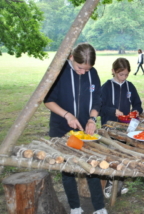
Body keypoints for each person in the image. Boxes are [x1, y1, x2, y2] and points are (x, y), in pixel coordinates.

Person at [44, 43, 107, 214]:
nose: (83, 72)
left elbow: (97, 100)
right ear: (71, 57)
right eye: (80, 68)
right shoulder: (59, 71)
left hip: (85, 131)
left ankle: (99, 207)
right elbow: (48, 100)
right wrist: (67, 115)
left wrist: (92, 119)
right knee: (68, 169)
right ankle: (75, 207)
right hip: (61, 129)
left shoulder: (92, 73)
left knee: (91, 165)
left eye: (87, 69)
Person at [100, 57, 143, 198]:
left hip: (125, 128)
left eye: (126, 74)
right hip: (109, 127)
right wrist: (113, 111)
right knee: (112, 156)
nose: (123, 77)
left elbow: (138, 104)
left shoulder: (129, 86)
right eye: (120, 74)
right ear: (113, 71)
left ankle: (119, 184)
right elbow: (99, 106)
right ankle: (108, 186)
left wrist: (135, 111)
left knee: (123, 155)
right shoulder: (106, 87)